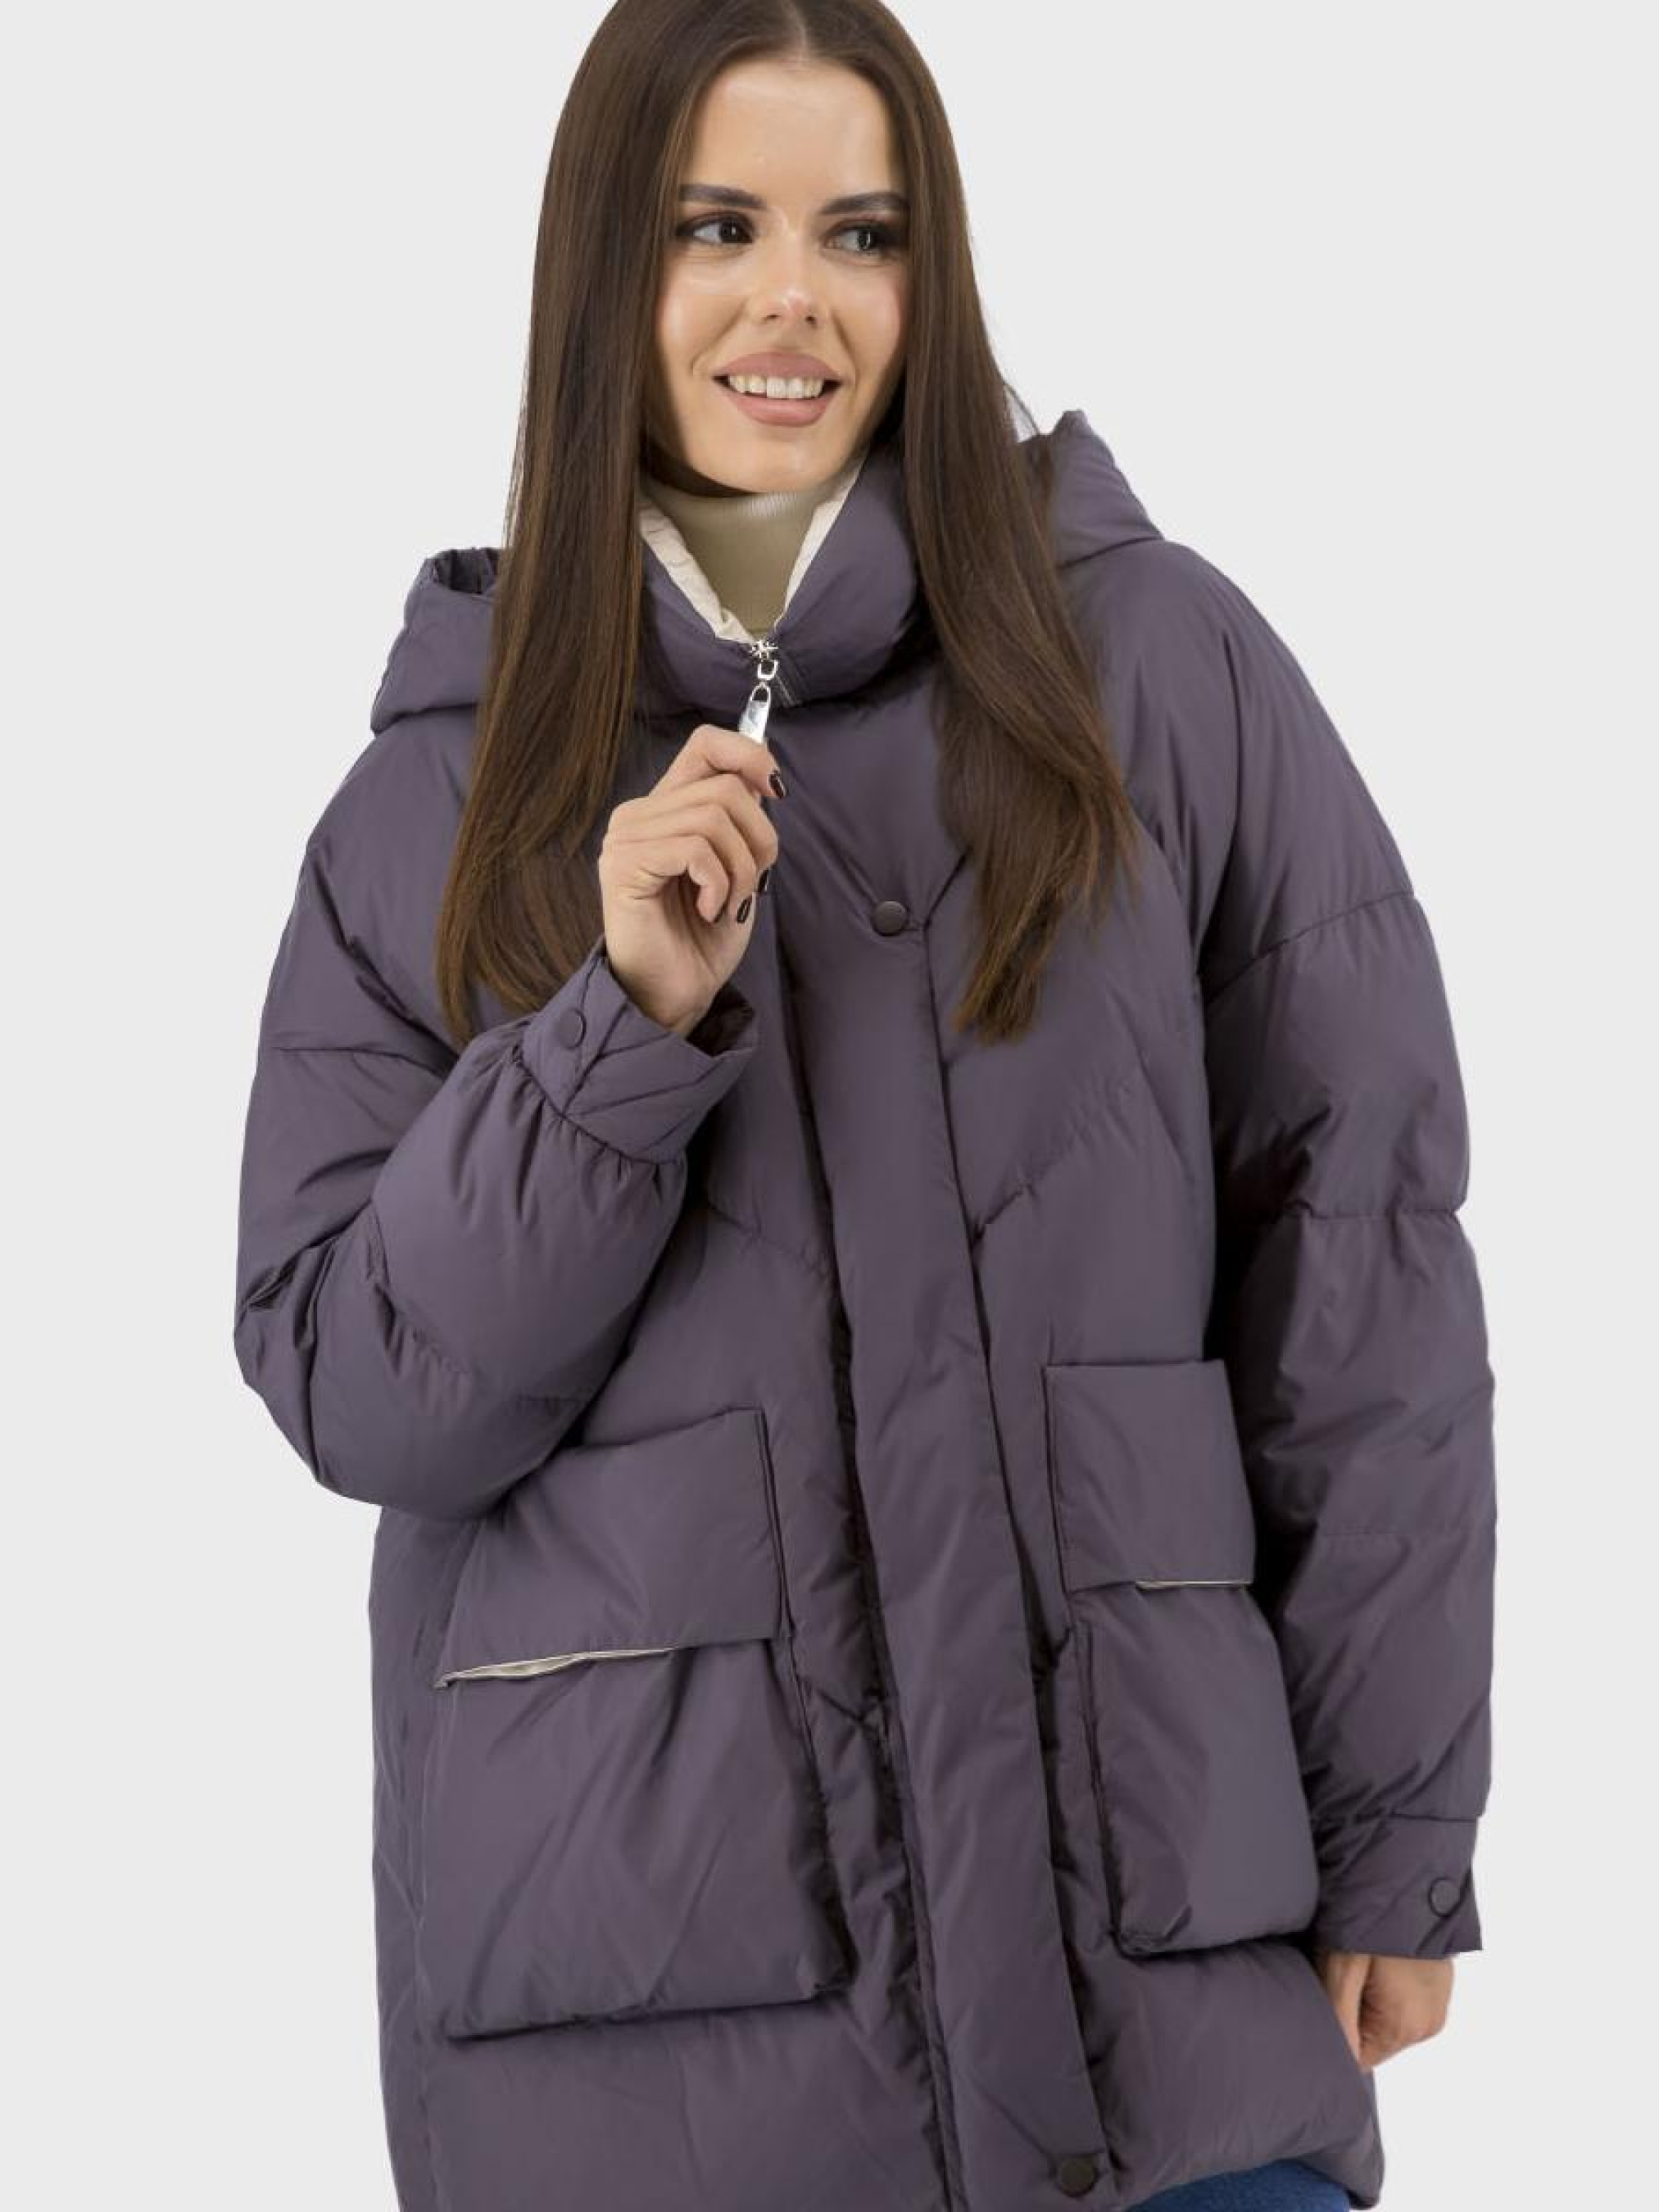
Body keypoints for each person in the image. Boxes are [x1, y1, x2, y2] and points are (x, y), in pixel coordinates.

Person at [231, 4, 1496, 2209]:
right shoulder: (429, 810)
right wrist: (615, 1033)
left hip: (1157, 2037)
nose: (791, 299)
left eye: (863, 232)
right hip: (653, 2087)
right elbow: (366, 1391)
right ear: (605, 271)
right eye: (715, 226)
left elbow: (1360, 1271)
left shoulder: (1152, 673)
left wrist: (1394, 1825)